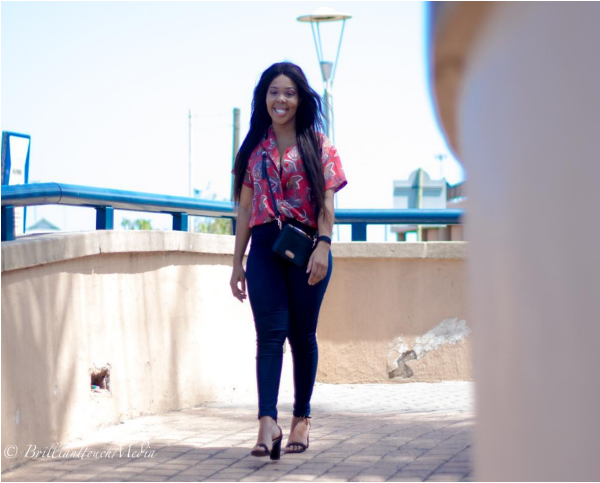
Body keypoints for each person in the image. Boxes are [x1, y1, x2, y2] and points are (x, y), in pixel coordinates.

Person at [230, 62, 347, 460]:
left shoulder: (319, 145)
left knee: (301, 335)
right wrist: (237, 263)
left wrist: (324, 245)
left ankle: (301, 418)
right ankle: (267, 421)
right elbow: (245, 211)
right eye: (274, 92)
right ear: (264, 98)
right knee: (269, 336)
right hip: (265, 247)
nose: (281, 99)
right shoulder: (253, 148)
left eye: (289, 93)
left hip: (307, 246)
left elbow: (327, 202)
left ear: (300, 99)